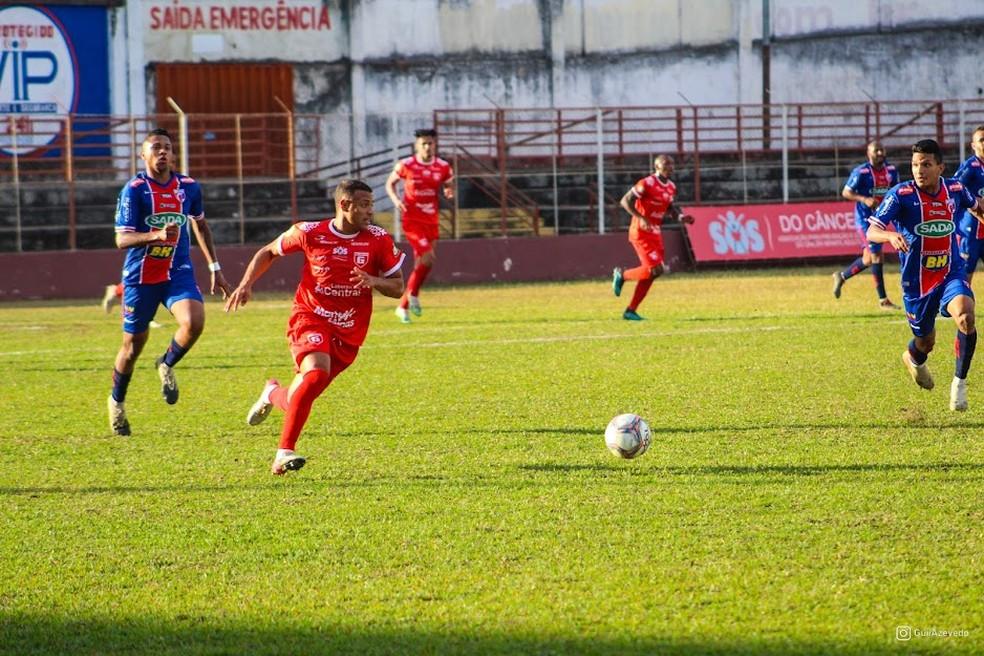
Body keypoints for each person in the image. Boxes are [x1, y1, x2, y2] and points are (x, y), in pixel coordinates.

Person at [225, 179, 405, 475]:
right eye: (364, 205)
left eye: (371, 205)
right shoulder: (309, 232)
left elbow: (398, 287)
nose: (370, 211)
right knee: (317, 371)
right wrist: (246, 284)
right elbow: (268, 252)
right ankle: (283, 453)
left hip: (349, 329)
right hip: (310, 316)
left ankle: (271, 393)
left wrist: (374, 281)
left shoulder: (378, 239)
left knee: (300, 395)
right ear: (344, 205)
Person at [107, 128, 230, 435]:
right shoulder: (134, 190)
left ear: (173, 154)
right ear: (143, 155)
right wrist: (155, 235)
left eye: (167, 147)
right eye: (156, 147)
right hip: (141, 277)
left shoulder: (188, 187)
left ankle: (166, 363)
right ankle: (117, 402)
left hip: (177, 271)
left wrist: (214, 266)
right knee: (132, 348)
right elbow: (121, 239)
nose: (163, 152)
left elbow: (201, 225)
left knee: (194, 322)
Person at [867, 139, 984, 411]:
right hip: (917, 282)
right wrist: (889, 236)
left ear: (940, 167)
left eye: (926, 164)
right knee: (925, 343)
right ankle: (913, 359)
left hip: (950, 272)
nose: (919, 170)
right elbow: (872, 231)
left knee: (966, 317)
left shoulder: (955, 189)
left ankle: (959, 384)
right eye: (915, 165)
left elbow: (977, 206)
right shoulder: (901, 195)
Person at [611, 154, 694, 320]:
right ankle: (622, 275)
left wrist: (680, 217)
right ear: (657, 166)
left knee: (654, 272)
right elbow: (625, 201)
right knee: (655, 269)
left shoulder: (671, 187)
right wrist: (641, 217)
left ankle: (630, 311)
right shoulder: (646, 183)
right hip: (640, 231)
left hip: (655, 232)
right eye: (666, 164)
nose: (670, 167)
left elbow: (669, 207)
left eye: (672, 164)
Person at [384, 128, 454, 323]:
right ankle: (413, 294)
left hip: (432, 220)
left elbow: (448, 184)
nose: (427, 147)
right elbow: (390, 184)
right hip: (412, 221)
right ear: (417, 145)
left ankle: (403, 307)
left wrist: (449, 191)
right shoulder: (406, 165)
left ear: (434, 145)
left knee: (422, 265)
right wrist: (396, 200)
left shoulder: (443, 166)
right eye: (423, 144)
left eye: (430, 143)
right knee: (428, 259)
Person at [832, 141, 900, 308]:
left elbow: (896, 190)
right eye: (876, 150)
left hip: (882, 218)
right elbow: (846, 192)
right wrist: (864, 199)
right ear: (868, 153)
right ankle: (883, 300)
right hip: (864, 220)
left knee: (868, 259)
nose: (880, 153)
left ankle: (842, 276)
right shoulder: (861, 172)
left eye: (881, 150)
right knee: (876, 256)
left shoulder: (891, 171)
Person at [954, 124, 984, 286]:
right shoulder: (970, 166)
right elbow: (955, 187)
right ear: (973, 145)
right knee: (966, 275)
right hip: (971, 230)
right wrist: (976, 200)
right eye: (982, 140)